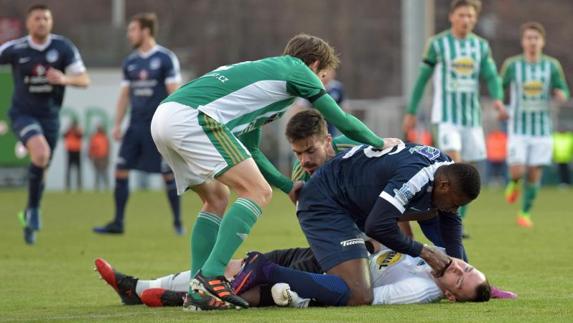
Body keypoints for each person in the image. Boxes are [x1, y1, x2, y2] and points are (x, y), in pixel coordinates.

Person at [150, 33, 396, 310]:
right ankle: (210, 277)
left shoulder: (268, 78)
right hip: (191, 117)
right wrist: (379, 142)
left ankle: (198, 289)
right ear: (314, 65)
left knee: (217, 197)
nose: (321, 83)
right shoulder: (298, 70)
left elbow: (251, 151)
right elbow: (339, 118)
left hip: (165, 116)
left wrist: (287, 185)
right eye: (323, 76)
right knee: (256, 191)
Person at [234, 141, 483, 307]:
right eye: (454, 201)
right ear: (444, 186)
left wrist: (473, 277)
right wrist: (425, 252)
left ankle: (222, 276)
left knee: (337, 263)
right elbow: (378, 226)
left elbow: (451, 224)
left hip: (347, 201)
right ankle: (265, 269)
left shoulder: (446, 169)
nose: (454, 208)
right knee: (358, 293)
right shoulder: (415, 178)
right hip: (325, 202)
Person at [94, 241, 490, 308]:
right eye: (465, 267)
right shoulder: (434, 263)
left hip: (327, 278)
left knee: (244, 285)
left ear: (451, 296)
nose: (458, 269)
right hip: (334, 255)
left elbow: (365, 296)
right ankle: (145, 288)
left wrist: (305, 295)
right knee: (233, 270)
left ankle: (151, 291)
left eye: (460, 279)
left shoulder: (421, 290)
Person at [402, 0, 508, 226]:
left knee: (468, 172)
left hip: (471, 118)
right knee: (454, 165)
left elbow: (491, 75)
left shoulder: (480, 46)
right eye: (461, 15)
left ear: (475, 19)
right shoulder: (438, 44)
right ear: (452, 16)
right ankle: (445, 216)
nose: (466, 20)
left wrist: (498, 99)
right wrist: (412, 110)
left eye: (470, 16)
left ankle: (458, 221)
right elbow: (422, 79)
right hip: (445, 117)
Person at [0, 4, 90, 244]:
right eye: (37, 18)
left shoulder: (62, 48)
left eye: (46, 18)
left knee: (41, 169)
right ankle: (34, 211)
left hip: (50, 118)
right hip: (22, 114)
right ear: (29, 23)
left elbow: (84, 79)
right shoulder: (16, 49)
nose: (42, 22)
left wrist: (64, 78)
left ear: (51, 22)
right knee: (41, 153)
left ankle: (29, 215)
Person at [92, 13, 183, 235]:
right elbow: (125, 95)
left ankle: (178, 222)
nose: (129, 34)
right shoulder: (130, 62)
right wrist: (116, 124)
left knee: (168, 174)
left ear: (145, 31)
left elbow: (175, 93)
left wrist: (177, 122)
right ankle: (118, 222)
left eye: (132, 29)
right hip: (135, 127)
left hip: (158, 127)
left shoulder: (165, 58)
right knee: (121, 170)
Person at [501, 22, 570, 228]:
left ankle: (525, 213)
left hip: (542, 129)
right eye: (529, 38)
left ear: (542, 41)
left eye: (536, 38)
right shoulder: (513, 65)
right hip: (518, 127)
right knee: (518, 171)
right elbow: (499, 86)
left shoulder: (552, 65)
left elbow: (562, 88)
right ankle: (514, 184)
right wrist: (499, 106)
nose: (532, 42)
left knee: (534, 173)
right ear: (523, 41)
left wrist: (561, 94)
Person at [88, 125, 110, 191]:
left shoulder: (105, 137)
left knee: (104, 173)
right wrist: (91, 155)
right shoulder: (94, 137)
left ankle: (107, 187)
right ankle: (97, 187)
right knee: (97, 173)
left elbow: (108, 148)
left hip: (104, 157)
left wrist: (108, 157)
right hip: (97, 157)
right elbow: (91, 147)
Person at [63, 118, 83, 191]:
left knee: (79, 170)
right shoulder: (69, 131)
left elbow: (80, 136)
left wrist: (75, 130)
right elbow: (64, 135)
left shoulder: (78, 130)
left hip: (77, 151)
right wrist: (69, 129)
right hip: (70, 151)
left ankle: (79, 186)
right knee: (68, 170)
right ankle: (68, 186)